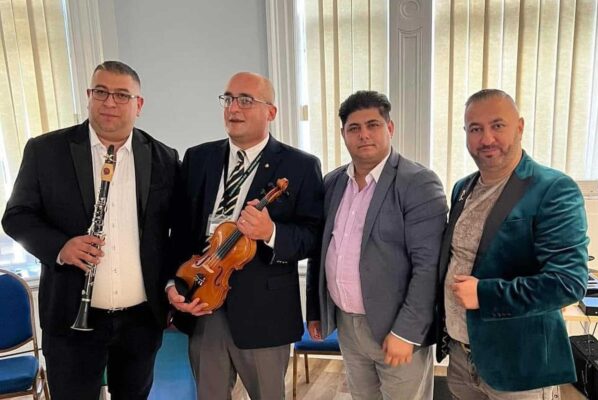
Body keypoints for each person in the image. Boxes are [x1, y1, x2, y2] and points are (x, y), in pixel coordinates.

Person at [2, 61, 179, 400]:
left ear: (138, 105)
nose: (109, 103)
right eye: (100, 92)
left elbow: (174, 234)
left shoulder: (164, 158)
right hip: (70, 321)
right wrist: (60, 246)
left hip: (141, 321)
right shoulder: (45, 151)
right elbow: (16, 216)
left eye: (121, 95)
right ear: (88, 96)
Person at [167, 71, 324, 399]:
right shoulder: (198, 158)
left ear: (271, 112)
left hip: (264, 311)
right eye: (228, 99)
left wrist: (271, 233)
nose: (233, 108)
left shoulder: (300, 165)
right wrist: (173, 283)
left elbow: (312, 235)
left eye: (245, 100)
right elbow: (179, 231)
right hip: (203, 305)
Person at [435, 89, 589, 399]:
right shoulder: (462, 188)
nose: (486, 138)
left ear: (519, 127)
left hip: (520, 363)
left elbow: (568, 283)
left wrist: (485, 294)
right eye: (475, 129)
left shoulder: (553, 189)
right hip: (463, 356)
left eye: (497, 125)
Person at [306, 90, 448, 400]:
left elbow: (428, 267)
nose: (364, 135)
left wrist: (406, 332)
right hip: (347, 324)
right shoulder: (333, 183)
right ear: (343, 134)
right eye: (354, 128)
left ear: (390, 128)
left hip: (396, 328)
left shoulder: (418, 182)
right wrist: (316, 311)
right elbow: (321, 251)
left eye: (373, 125)